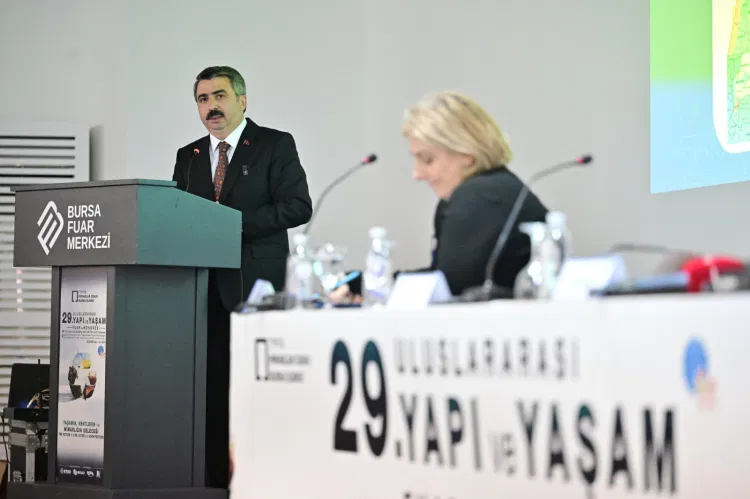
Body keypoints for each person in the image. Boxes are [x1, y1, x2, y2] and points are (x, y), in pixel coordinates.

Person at [171, 66, 312, 488]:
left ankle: (263, 480)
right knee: (211, 390)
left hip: (256, 286)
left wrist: (232, 224)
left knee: (255, 388)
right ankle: (216, 482)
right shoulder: (189, 155)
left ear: (242, 100)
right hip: (201, 289)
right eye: (203, 99)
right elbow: (177, 214)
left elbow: (297, 207)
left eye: (219, 96)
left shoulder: (273, 144)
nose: (211, 106)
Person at [401, 90, 548, 296]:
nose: (417, 174)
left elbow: (448, 289)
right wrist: (364, 283)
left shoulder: (480, 196)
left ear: (466, 153)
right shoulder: (492, 188)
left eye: (427, 159)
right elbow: (441, 279)